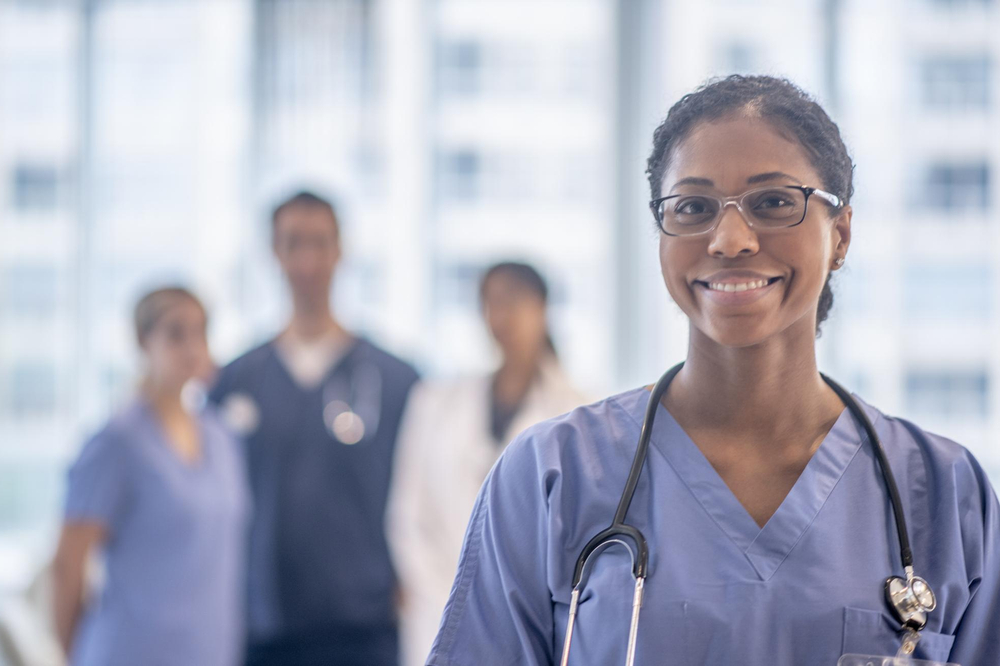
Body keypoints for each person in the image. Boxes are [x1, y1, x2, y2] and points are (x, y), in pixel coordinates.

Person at [426, 76, 1000, 666]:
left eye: (773, 202)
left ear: (841, 234)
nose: (729, 239)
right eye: (693, 207)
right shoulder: (551, 476)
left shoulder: (945, 494)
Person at [208, 190, 419, 666]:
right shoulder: (236, 381)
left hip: (365, 629)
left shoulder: (396, 381)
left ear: (340, 251)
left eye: (319, 243)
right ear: (274, 252)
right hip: (264, 628)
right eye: (293, 243)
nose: (307, 260)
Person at [388, 261, 587, 666]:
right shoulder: (435, 402)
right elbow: (407, 516)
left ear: (542, 308)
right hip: (436, 608)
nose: (502, 315)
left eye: (514, 300)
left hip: (532, 620)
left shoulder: (579, 414)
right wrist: (445, 598)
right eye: (491, 302)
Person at [52, 287, 250, 666]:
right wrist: (72, 655)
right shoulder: (117, 442)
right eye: (176, 334)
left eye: (200, 332)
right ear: (143, 341)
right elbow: (67, 566)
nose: (192, 347)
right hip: (132, 651)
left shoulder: (221, 437)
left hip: (209, 651)